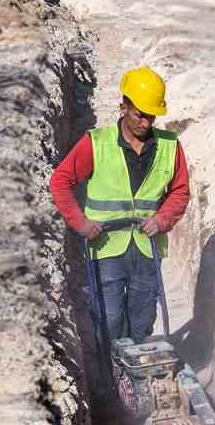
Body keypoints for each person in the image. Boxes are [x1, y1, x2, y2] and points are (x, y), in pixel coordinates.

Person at [50, 67, 191, 344]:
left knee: (142, 318)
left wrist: (162, 220)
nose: (146, 123)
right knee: (110, 317)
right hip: (105, 247)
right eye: (140, 114)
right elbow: (60, 181)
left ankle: (139, 371)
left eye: (151, 116)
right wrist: (81, 223)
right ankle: (112, 372)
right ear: (123, 106)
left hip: (146, 247)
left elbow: (180, 190)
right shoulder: (96, 143)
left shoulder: (170, 147)